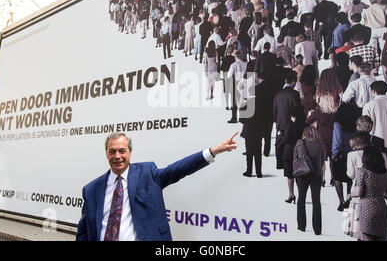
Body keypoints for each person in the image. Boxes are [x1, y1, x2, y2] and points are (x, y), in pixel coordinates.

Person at [76, 132, 238, 241]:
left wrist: (213, 151)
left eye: (122, 151)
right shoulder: (91, 190)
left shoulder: (147, 173)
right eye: (112, 151)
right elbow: (83, 233)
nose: (117, 156)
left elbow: (178, 169)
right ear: (106, 154)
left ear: (130, 153)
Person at [347, 146, 387, 241]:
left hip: (366, 210)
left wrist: (350, 195)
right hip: (382, 211)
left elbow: (358, 192)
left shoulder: (362, 172)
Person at [294, 126, 326, 236]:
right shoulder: (320, 143)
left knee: (301, 198)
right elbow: (323, 160)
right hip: (316, 173)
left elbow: (296, 158)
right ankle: (317, 229)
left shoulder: (300, 142)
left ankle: (301, 226)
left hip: (302, 174)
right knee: (316, 200)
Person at [331, 102, 360, 211]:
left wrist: (335, 153)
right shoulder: (355, 123)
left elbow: (337, 139)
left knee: (337, 177)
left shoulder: (338, 124)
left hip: (340, 153)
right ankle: (349, 198)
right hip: (352, 152)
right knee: (350, 178)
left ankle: (341, 201)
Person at [345, 133, 372, 240]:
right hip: (372, 189)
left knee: (357, 225)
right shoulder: (373, 153)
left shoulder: (352, 155)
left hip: (357, 189)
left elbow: (350, 174)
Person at [273, 72, 301, 171]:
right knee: (291, 145)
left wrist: (277, 122)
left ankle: (279, 163)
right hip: (291, 124)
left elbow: (275, 111)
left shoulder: (278, 94)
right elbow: (297, 110)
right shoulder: (295, 94)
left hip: (280, 123)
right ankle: (290, 164)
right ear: (293, 82)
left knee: (279, 144)